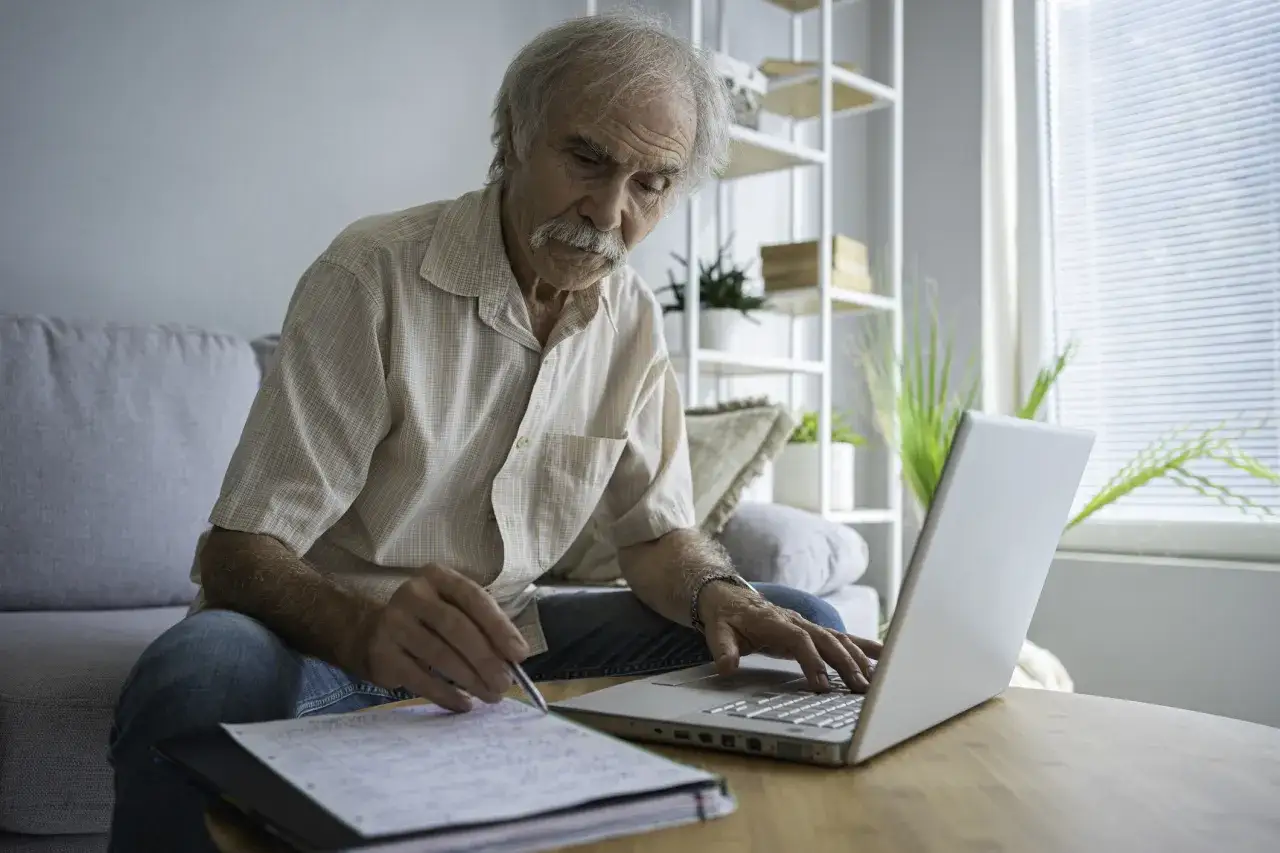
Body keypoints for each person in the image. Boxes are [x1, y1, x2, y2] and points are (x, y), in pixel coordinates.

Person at [107, 10, 881, 851]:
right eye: (587, 159)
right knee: (198, 668)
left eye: (651, 184)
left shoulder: (631, 317)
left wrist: (719, 591)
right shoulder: (372, 273)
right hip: (325, 638)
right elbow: (238, 551)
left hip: (514, 639)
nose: (609, 212)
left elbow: (660, 539)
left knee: (793, 619)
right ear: (514, 134)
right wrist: (365, 631)